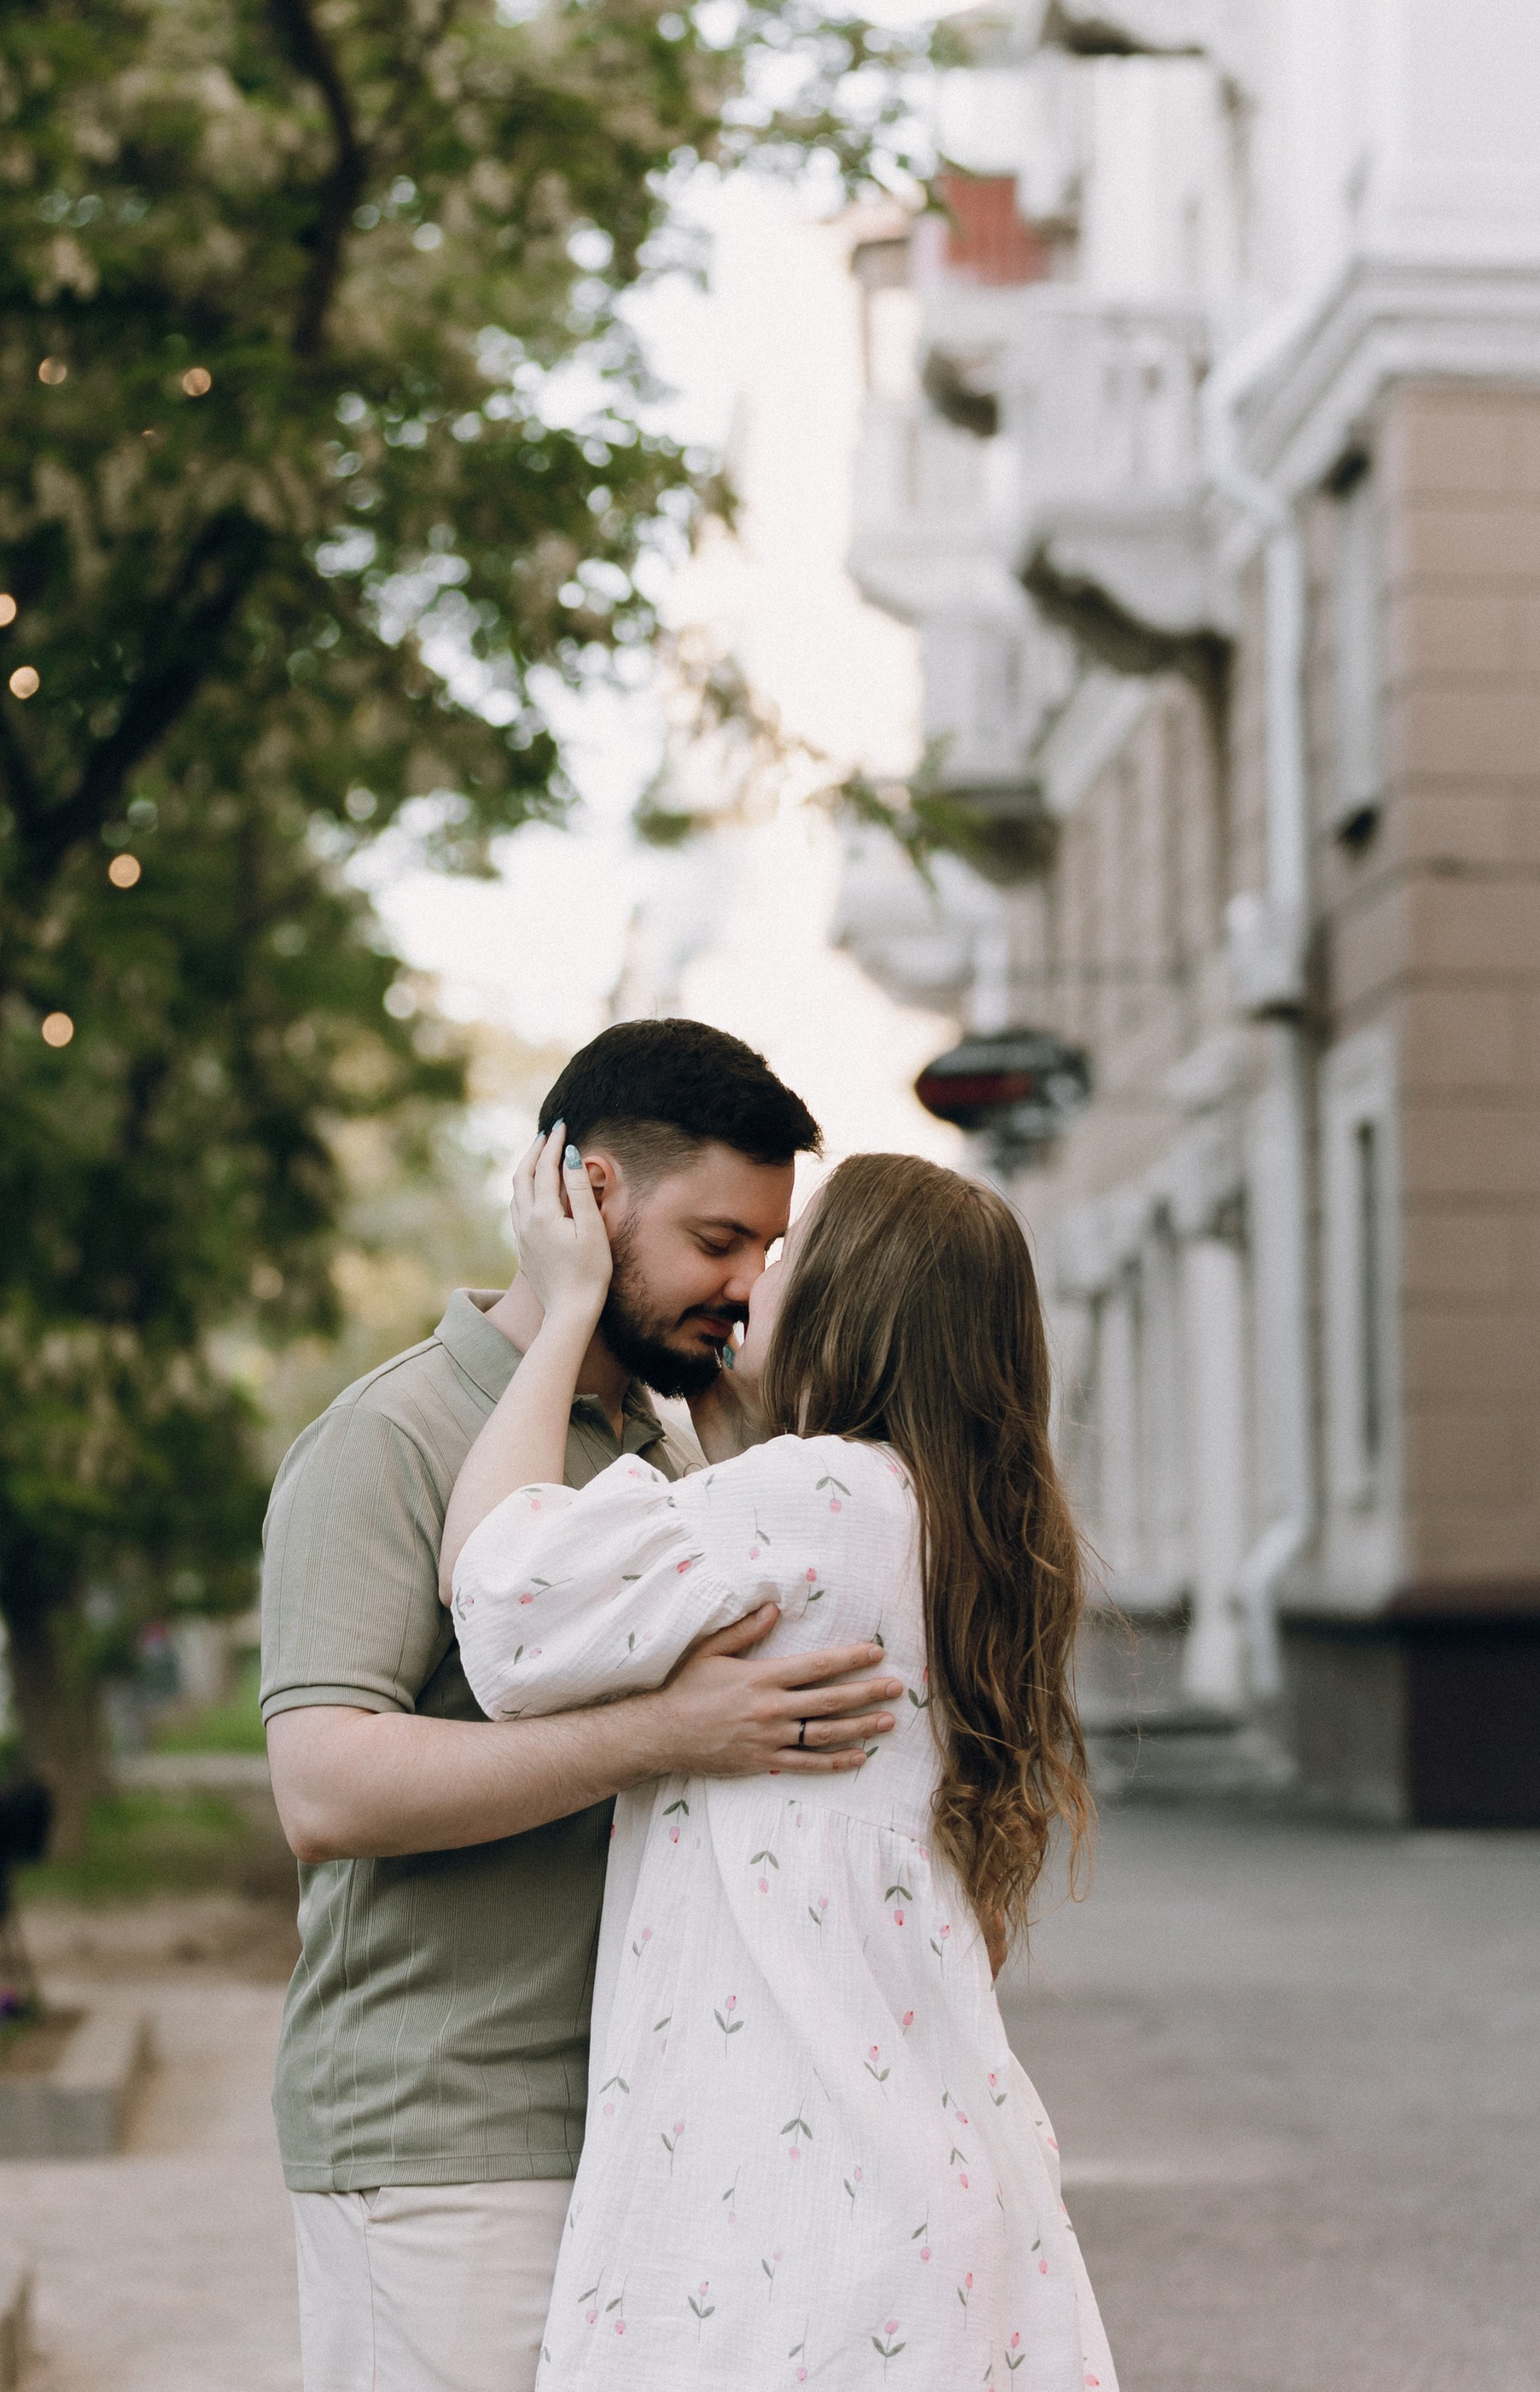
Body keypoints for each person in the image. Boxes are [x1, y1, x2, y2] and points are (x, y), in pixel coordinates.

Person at [261, 1020, 908, 2392]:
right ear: (587, 1199)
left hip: (645, 2129)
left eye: (767, 1255)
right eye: (718, 1242)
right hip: (444, 2133)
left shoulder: (668, 1451)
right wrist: (664, 1734)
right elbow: (324, 1790)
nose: (744, 1288)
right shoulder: (395, 1438)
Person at [440, 1135, 1117, 2392]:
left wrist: (564, 1310)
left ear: (852, 1302)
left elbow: (501, 1604)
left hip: (794, 2208)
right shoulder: (944, 1522)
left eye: (785, 1252)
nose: (752, 1276)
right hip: (919, 2183)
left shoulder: (812, 1498)